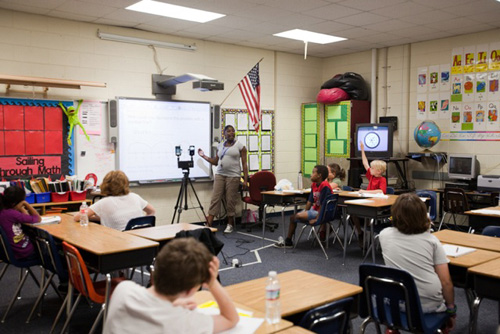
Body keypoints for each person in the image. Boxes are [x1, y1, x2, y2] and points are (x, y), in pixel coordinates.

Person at [103, 238, 239, 334]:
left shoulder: (123, 289)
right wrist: (212, 281)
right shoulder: (186, 323)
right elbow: (230, 318)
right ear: (191, 290)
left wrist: (175, 304)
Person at [379, 192, 455, 334]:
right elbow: (446, 282)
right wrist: (451, 309)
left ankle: (393, 327)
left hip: (393, 302)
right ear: (424, 215)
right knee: (441, 313)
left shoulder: (384, 235)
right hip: (427, 305)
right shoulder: (432, 241)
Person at [198, 125, 249, 234]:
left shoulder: (240, 146)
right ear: (224, 134)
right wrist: (204, 156)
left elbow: (244, 164)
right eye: (229, 131)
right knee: (215, 198)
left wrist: (245, 179)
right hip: (220, 175)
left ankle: (230, 224)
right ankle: (209, 224)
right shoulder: (220, 146)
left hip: (233, 176)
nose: (231, 133)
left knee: (230, 200)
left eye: (233, 131)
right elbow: (215, 162)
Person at [74, 170, 155, 231]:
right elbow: (151, 211)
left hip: (117, 243)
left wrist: (89, 217)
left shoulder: (104, 202)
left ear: (106, 185)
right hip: (139, 241)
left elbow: (77, 217)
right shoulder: (135, 197)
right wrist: (143, 227)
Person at [274, 165, 332, 248]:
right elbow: (309, 201)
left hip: (321, 212)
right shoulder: (314, 185)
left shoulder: (325, 186)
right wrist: (305, 211)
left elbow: (323, 205)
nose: (311, 175)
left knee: (295, 216)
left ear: (319, 175)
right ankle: (288, 241)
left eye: (313, 172)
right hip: (315, 210)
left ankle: (288, 241)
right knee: (293, 217)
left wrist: (317, 219)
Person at [351, 142, 387, 246]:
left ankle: (367, 235)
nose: (370, 169)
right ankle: (360, 232)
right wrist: (362, 150)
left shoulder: (382, 179)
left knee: (368, 216)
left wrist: (365, 191)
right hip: (367, 200)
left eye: (372, 168)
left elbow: (381, 191)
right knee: (353, 212)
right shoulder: (372, 176)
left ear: (379, 171)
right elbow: (365, 163)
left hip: (375, 204)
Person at [0, 186, 41, 260]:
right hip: (23, 253)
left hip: (6, 253)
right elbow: (37, 219)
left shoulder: (4, 212)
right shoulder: (11, 214)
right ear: (15, 203)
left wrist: (20, 208)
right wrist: (26, 204)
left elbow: (26, 219)